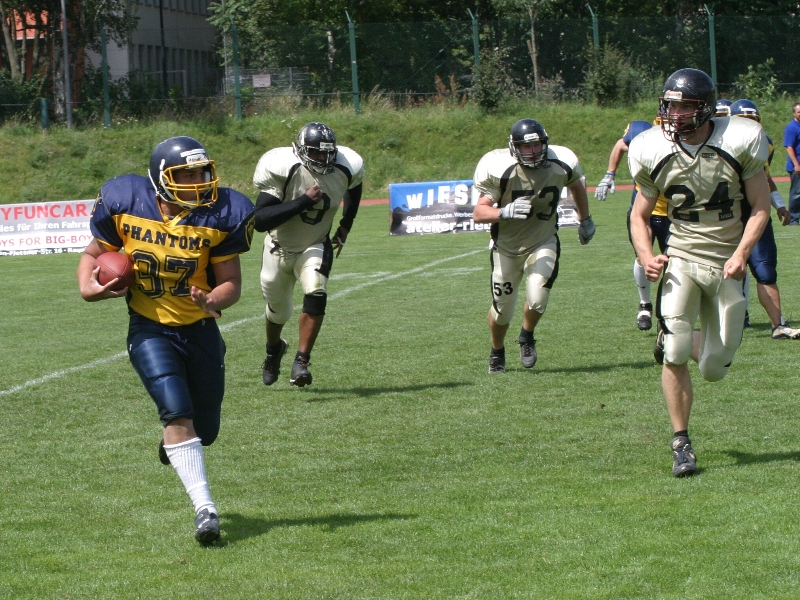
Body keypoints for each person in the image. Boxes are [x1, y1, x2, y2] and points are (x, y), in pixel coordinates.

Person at [76, 136, 256, 545]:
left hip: (200, 330)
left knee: (205, 429)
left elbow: (231, 283)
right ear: (160, 179)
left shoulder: (222, 213)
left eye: (201, 172)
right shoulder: (125, 202)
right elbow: (93, 255)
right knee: (177, 413)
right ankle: (206, 510)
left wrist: (212, 299)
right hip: (149, 327)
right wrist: (89, 288)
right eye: (185, 175)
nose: (197, 181)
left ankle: (175, 445)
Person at [628, 68, 771, 477]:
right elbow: (639, 215)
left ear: (705, 108)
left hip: (727, 260)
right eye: (670, 106)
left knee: (714, 368)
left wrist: (742, 253)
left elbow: (760, 205)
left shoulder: (740, 139)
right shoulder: (651, 147)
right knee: (675, 354)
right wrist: (646, 254)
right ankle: (681, 443)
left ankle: (676, 338)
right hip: (681, 256)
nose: (674, 114)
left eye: (684, 107)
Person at [472, 118, 595, 373]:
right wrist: (503, 212)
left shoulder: (561, 162)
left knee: (538, 299)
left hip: (543, 240)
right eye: (526, 147)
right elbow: (479, 213)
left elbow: (576, 185)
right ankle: (497, 349)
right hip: (506, 248)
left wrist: (585, 220)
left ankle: (527, 335)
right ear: (514, 148)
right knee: (502, 311)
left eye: (537, 145)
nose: (533, 151)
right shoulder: (501, 168)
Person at [253, 122, 365, 387]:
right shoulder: (283, 166)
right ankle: (274, 349)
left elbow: (354, 187)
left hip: (315, 243)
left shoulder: (347, 165)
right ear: (301, 150)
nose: (322, 159)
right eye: (315, 153)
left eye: (327, 153)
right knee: (278, 313)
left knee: (316, 291)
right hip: (278, 247)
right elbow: (259, 220)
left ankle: (301, 361)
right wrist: (302, 201)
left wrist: (346, 224)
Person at [729, 98, 797, 339]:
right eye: (743, 121)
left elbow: (765, 177)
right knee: (718, 272)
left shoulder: (764, 143)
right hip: (725, 216)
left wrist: (780, 205)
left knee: (765, 270)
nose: (748, 126)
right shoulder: (717, 145)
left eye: (752, 120)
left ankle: (778, 325)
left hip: (757, 213)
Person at [595, 119, 671, 330]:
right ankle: (645, 305)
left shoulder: (677, 141)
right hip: (643, 210)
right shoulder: (641, 133)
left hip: (671, 212)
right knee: (642, 257)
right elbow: (621, 144)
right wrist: (610, 173)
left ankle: (668, 311)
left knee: (674, 263)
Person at [783, 102, 800, 225]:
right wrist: (796, 164)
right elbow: (789, 147)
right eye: (799, 112)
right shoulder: (792, 127)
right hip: (797, 166)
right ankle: (793, 219)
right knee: (797, 193)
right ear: (794, 113)